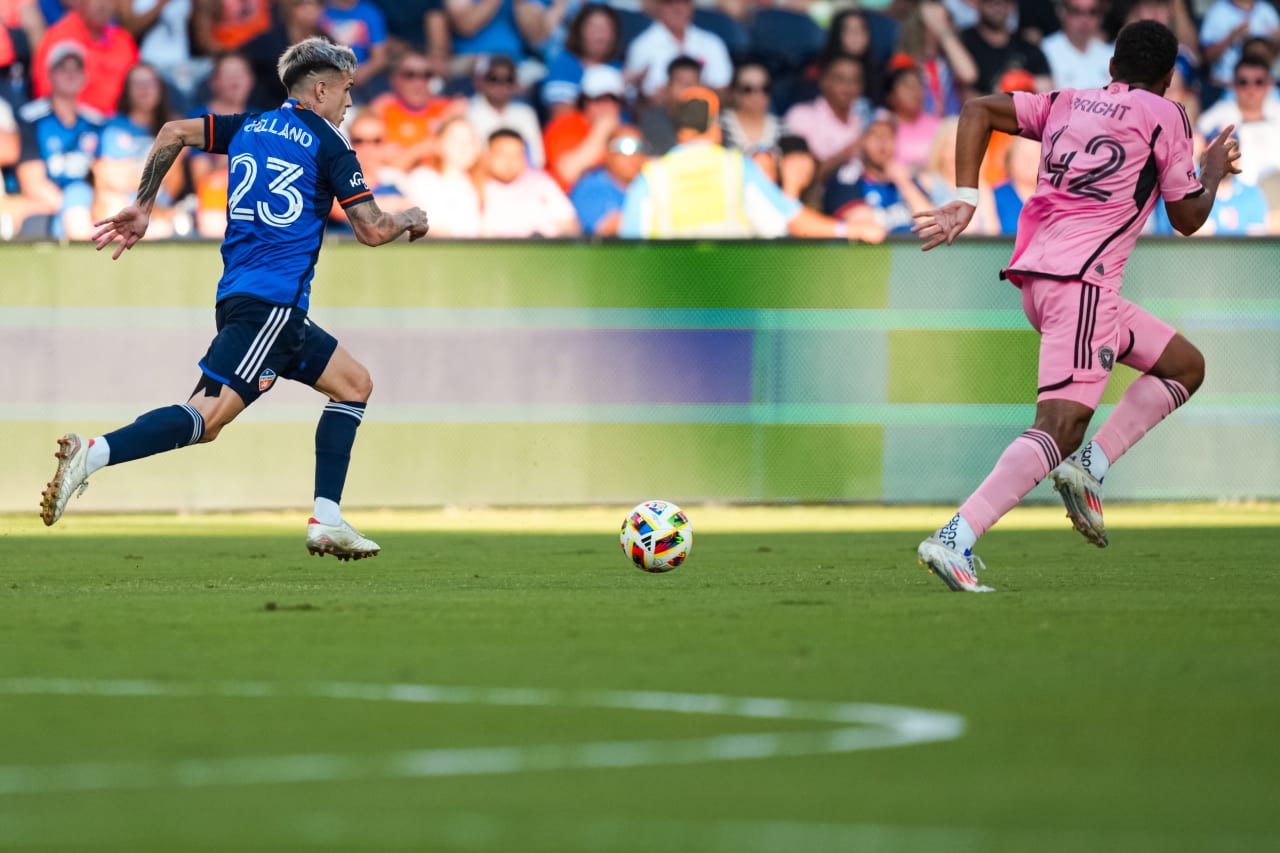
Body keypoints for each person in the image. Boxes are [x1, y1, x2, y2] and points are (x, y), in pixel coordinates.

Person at [42, 37, 430, 562]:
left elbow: (172, 131)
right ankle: (93, 454)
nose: (349, 103)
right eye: (346, 90)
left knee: (354, 383)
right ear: (320, 89)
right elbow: (372, 230)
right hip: (272, 305)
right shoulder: (330, 144)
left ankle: (328, 518)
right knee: (209, 417)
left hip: (253, 302)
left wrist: (142, 205)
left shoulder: (248, 125)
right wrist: (410, 217)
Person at [910, 20, 1241, 592]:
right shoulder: (1165, 114)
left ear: (1111, 66)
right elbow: (1188, 218)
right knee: (1060, 426)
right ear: (1166, 80)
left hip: (1042, 279)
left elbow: (977, 111)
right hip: (1083, 283)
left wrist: (966, 198)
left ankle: (1089, 467)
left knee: (1185, 367)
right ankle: (955, 538)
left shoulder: (1067, 101)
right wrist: (1210, 170)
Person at [619, 86, 864, 240]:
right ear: (715, 128)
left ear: (679, 131)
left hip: (670, 306)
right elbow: (786, 221)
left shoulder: (651, 176)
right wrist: (850, 230)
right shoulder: (736, 167)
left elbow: (629, 246)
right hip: (729, 301)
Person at [16, 39, 101, 239]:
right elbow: (32, 182)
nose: (71, 74)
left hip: (90, 204)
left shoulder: (96, 122)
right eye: (63, 68)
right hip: (51, 205)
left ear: (84, 76)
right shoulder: (30, 118)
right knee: (77, 193)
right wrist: (73, 208)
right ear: (50, 74)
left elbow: (104, 172)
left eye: (77, 68)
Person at [32, 0, 139, 115]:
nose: (102, 4)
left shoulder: (124, 41)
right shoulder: (60, 37)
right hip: (72, 122)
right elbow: (45, 90)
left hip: (119, 124)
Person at [479, 127, 579, 236]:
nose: (509, 161)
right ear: (487, 156)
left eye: (517, 154)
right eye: (502, 154)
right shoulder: (477, 186)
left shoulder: (541, 182)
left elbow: (570, 226)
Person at [624, 0, 731, 100]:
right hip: (660, 115)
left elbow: (723, 88)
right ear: (658, 6)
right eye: (670, 2)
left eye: (684, 2)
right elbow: (634, 95)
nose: (678, 8)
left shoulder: (712, 43)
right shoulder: (641, 46)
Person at [466, 53, 544, 167]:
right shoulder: (468, 112)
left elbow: (537, 159)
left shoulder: (526, 113)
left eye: (508, 79)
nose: (501, 85)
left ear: (516, 83)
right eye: (493, 78)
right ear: (480, 81)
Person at [958, 0, 1052, 94]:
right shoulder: (963, 42)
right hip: (982, 107)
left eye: (1005, 1)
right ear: (977, 3)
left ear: (1012, 6)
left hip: (1021, 107)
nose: (997, 5)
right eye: (990, 1)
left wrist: (1019, 82)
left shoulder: (1027, 46)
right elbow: (964, 93)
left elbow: (1047, 90)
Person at [568, 122, 645, 235]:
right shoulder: (589, 188)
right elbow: (607, 229)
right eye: (624, 147)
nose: (632, 157)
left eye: (638, 147)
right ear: (607, 154)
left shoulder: (649, 184)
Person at [1040, 0, 1113, 90]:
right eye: (1076, 12)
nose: (1085, 20)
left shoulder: (1110, 54)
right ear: (1063, 13)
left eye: (1092, 12)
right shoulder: (1044, 50)